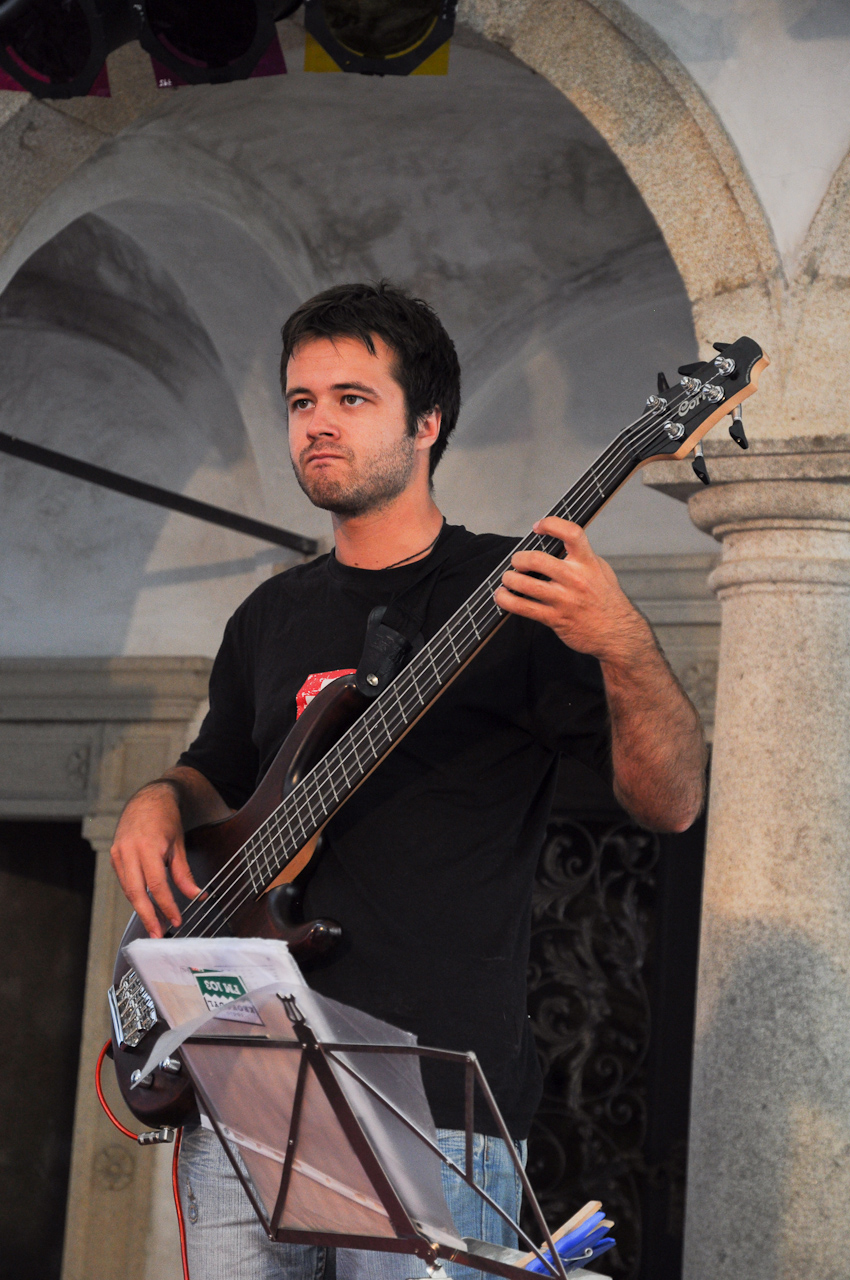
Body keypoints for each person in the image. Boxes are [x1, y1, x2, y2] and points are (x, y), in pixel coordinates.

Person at [110, 281, 706, 1280]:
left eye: (352, 398)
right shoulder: (270, 615)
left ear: (426, 422)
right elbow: (216, 772)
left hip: (432, 1103)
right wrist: (156, 799)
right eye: (302, 401)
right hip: (247, 1084)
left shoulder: (515, 596)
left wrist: (623, 644)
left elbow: (671, 801)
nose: (318, 423)